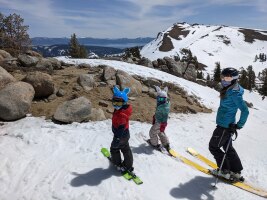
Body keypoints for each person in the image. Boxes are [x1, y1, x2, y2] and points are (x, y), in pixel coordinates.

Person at [209, 67, 249, 181]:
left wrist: (239, 125)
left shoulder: (234, 93)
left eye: (227, 78)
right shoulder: (229, 88)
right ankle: (236, 171)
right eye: (223, 77)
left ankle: (224, 170)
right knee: (228, 147)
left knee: (213, 147)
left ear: (234, 79)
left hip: (224, 126)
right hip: (227, 124)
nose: (224, 80)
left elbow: (245, 110)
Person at [110, 86, 134, 173]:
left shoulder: (122, 115)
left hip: (120, 135)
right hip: (125, 134)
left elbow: (121, 127)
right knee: (125, 148)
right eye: (114, 102)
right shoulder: (122, 109)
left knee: (114, 148)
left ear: (124, 103)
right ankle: (128, 165)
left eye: (119, 103)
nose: (116, 105)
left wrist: (117, 138)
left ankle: (117, 163)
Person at [148, 86, 171, 151]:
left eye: (162, 99)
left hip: (160, 122)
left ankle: (154, 144)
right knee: (160, 132)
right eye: (158, 99)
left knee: (152, 132)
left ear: (165, 99)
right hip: (159, 120)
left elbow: (165, 116)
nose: (160, 101)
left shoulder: (164, 108)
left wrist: (163, 125)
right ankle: (166, 143)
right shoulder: (164, 103)